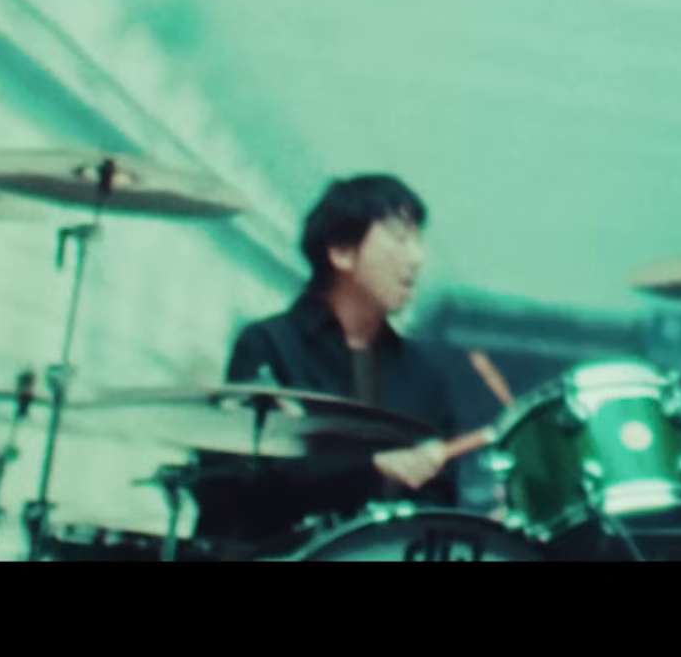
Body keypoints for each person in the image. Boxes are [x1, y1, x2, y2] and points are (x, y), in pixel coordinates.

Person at [204, 174, 486, 540]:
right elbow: (247, 476)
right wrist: (370, 472)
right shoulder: (270, 345)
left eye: (418, 239)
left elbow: (440, 499)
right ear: (342, 251)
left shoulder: (424, 374)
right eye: (399, 237)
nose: (417, 258)